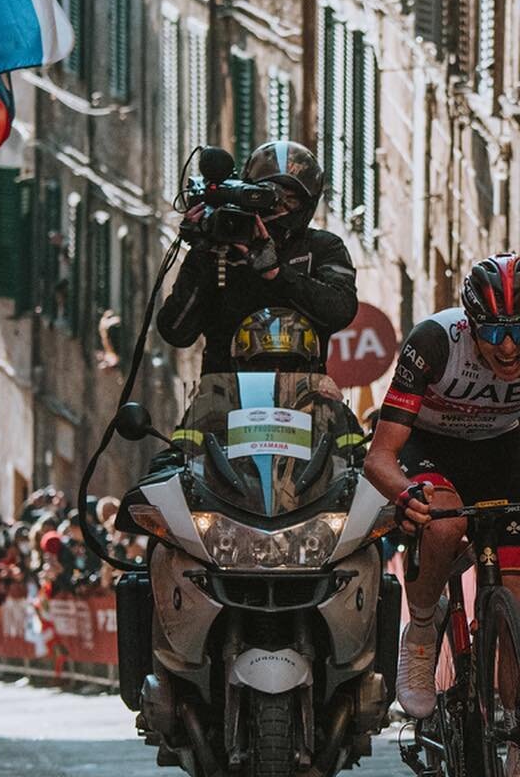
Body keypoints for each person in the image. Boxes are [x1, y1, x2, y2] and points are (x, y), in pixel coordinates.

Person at [363, 254, 520, 733]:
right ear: (471, 327)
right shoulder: (434, 342)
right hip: (431, 447)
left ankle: (516, 738)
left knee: (516, 595)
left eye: (519, 331)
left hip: (503, 449)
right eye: (494, 333)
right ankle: (423, 631)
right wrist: (408, 496)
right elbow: (379, 457)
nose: (509, 347)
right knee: (445, 520)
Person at [157, 141, 358, 373]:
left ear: (307, 204)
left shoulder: (322, 247)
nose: (278, 207)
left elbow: (341, 310)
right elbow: (175, 332)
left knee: (343, 411)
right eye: (268, 196)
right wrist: (202, 253)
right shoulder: (220, 247)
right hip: (225, 392)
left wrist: (276, 273)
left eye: (290, 200)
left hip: (305, 390)